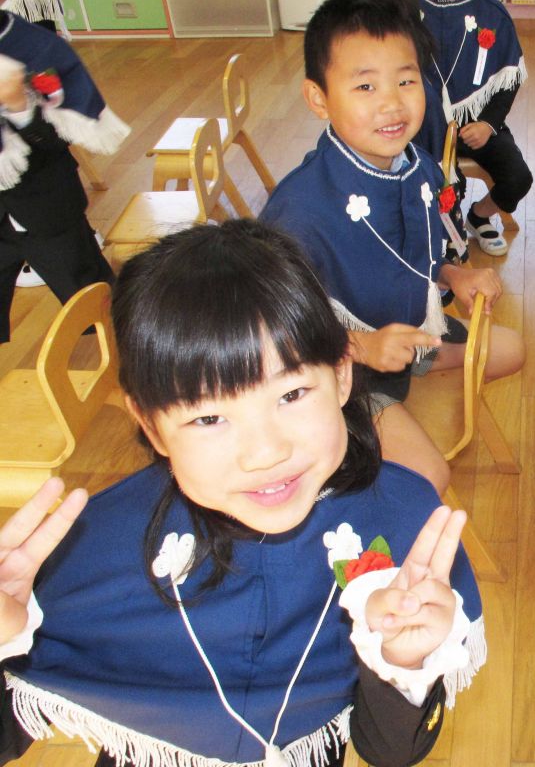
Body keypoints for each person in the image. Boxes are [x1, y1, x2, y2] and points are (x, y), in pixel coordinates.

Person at [0, 220, 485, 767]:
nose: (265, 452)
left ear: (342, 376)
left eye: (292, 393)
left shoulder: (405, 523)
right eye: (209, 418)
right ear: (151, 425)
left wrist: (402, 661)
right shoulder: (87, 548)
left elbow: (392, 751)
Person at [260, 0, 524, 495]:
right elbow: (273, 334)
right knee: (430, 478)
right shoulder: (298, 212)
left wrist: (453, 274)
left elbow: (416, 250)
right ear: (318, 99)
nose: (392, 104)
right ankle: (345, 453)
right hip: (338, 372)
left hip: (403, 331)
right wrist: (364, 348)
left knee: (510, 350)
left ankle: (403, 386)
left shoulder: (417, 164)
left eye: (406, 80)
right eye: (365, 86)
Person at [0, 9, 128, 345]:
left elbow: (60, 137)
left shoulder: (35, 47)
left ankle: (128, 358)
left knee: (96, 307)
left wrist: (19, 107)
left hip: (45, 209)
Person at [419, 0, 532, 257]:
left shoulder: (491, 11)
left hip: (477, 121)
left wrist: (488, 124)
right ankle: (442, 235)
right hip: (424, 126)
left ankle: (478, 217)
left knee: (518, 178)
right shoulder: (404, 9)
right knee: (436, 180)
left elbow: (508, 80)